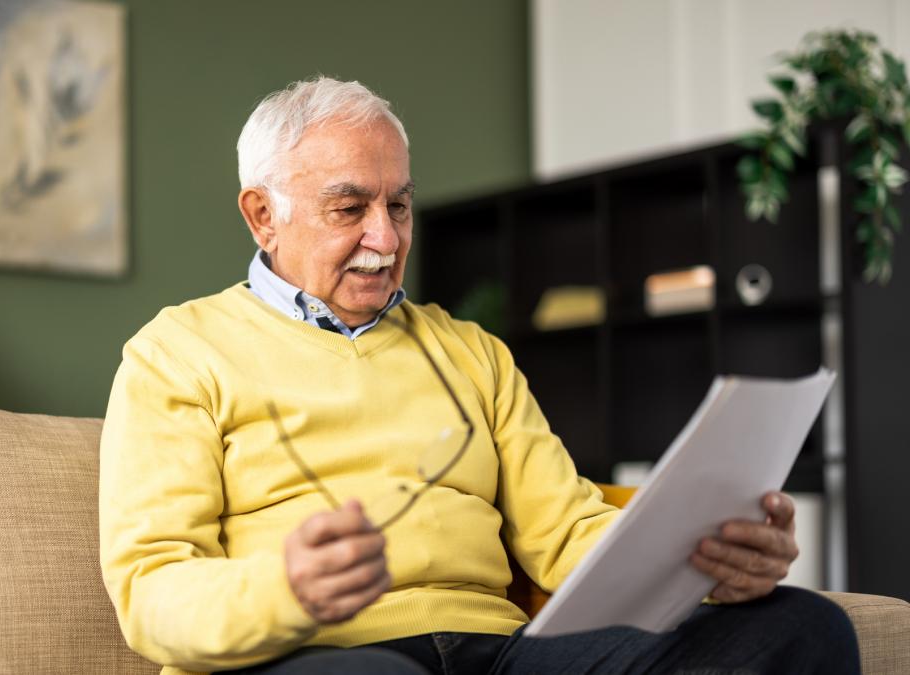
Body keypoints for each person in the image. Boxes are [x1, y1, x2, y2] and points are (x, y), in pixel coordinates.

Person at [99, 76, 860, 675]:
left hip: (498, 653)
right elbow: (152, 588)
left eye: (399, 204)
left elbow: (565, 532)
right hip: (308, 655)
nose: (385, 235)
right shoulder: (177, 352)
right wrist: (284, 590)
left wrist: (707, 560)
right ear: (263, 215)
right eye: (349, 207)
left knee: (801, 626)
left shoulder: (471, 351)